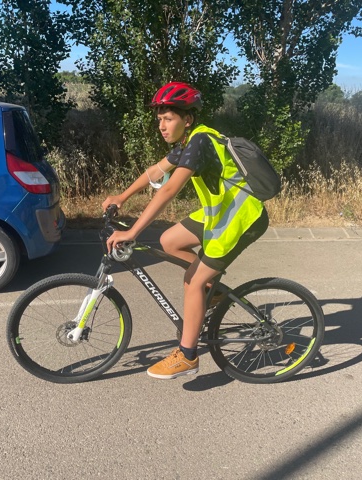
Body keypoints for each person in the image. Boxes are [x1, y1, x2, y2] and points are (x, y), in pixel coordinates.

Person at [103, 81, 269, 379]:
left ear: (187, 118)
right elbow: (156, 172)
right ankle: (212, 291)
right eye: (159, 119)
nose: (161, 126)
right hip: (220, 213)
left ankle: (188, 355)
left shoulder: (200, 142)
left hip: (242, 218)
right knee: (169, 240)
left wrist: (132, 232)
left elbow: (169, 190)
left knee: (192, 282)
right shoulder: (188, 142)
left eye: (168, 119)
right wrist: (122, 197)